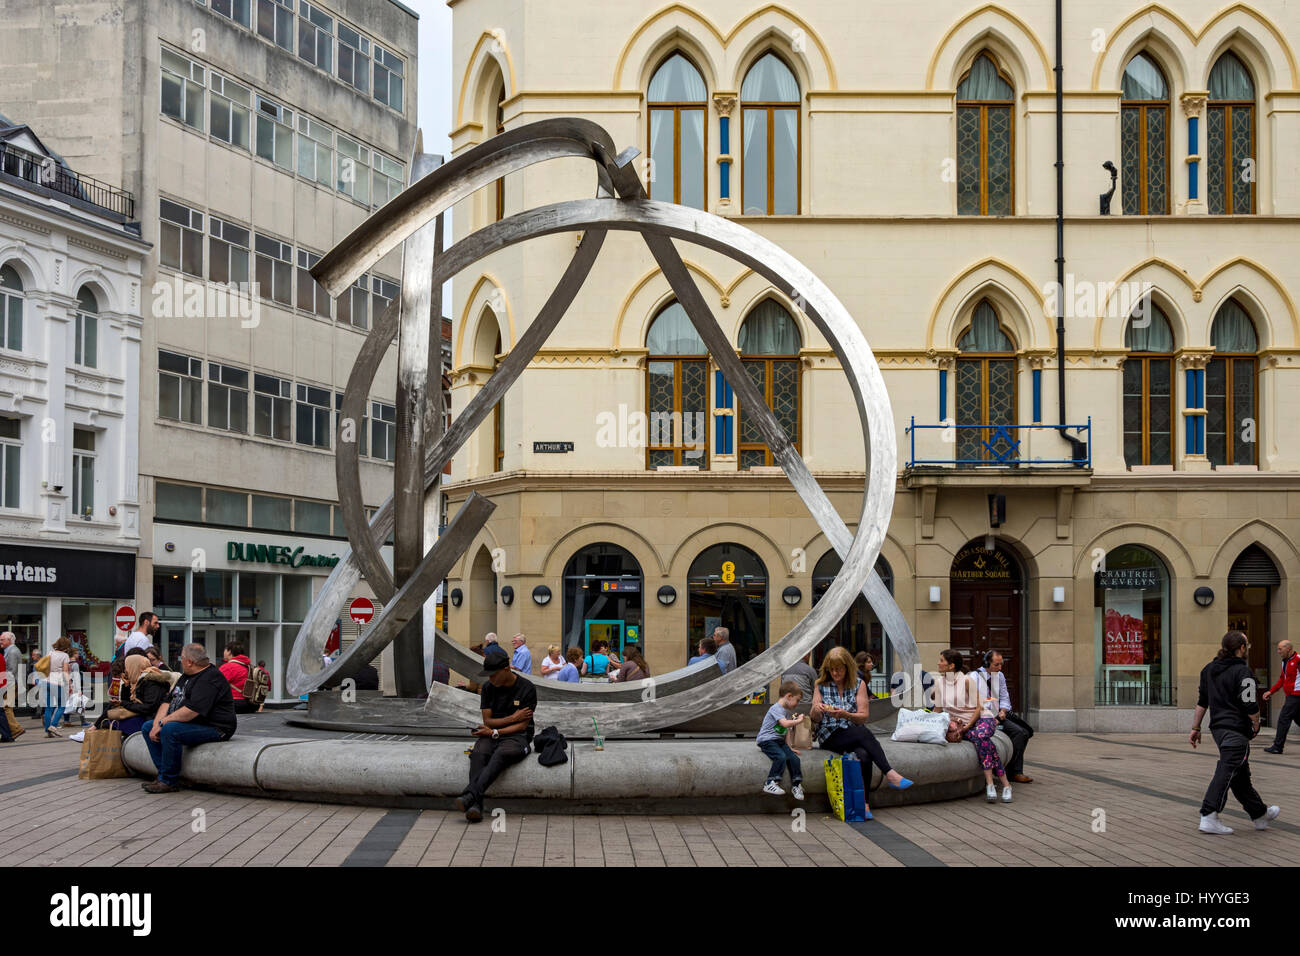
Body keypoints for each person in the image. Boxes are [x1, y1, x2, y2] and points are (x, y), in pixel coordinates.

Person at [1191, 631, 1280, 834]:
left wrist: (1195, 728)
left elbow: (1202, 701)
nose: (1247, 650)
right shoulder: (1243, 672)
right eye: (1247, 646)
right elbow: (1250, 702)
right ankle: (1209, 814)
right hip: (1236, 729)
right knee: (1228, 769)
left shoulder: (1209, 669)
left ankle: (1260, 814)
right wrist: (1256, 723)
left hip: (1218, 729)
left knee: (1239, 774)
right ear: (1241, 648)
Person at [812, 646, 912, 818]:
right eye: (832, 669)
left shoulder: (859, 684)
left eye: (839, 669)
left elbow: (863, 716)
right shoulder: (821, 685)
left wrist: (845, 714)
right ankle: (889, 772)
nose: (835, 673)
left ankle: (864, 805)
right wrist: (818, 709)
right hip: (830, 735)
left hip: (852, 731)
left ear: (848, 668)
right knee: (862, 733)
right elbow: (814, 717)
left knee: (864, 755)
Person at [141, 643, 237, 794]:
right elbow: (167, 702)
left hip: (217, 728)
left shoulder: (211, 678)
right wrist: (156, 724)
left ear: (190, 662)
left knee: (170, 729)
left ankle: (169, 781)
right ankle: (163, 775)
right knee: (147, 727)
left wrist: (163, 722)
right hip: (193, 723)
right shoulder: (186, 675)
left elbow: (191, 711)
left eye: (182, 658)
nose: (180, 661)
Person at [454, 646, 537, 822]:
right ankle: (476, 804)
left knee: (502, 753)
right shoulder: (488, 688)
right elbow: (487, 721)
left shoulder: (526, 688)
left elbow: (522, 726)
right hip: (492, 732)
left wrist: (496, 730)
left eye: (493, 674)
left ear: (506, 670)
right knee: (478, 754)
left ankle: (471, 796)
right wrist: (511, 718)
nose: (490, 679)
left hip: (518, 737)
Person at [936, 649, 1012, 804]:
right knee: (986, 744)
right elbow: (937, 710)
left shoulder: (966, 680)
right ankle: (1006, 785)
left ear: (951, 666)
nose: (939, 663)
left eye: (942, 660)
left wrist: (967, 726)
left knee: (981, 736)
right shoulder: (939, 683)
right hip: (962, 725)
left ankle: (990, 784)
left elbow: (979, 707)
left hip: (982, 718)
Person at [975, 650, 1032, 783]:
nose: (1000, 668)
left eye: (1001, 664)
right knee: (1018, 732)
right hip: (984, 716)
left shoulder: (999, 675)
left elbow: (1005, 697)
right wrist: (994, 715)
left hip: (999, 714)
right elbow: (977, 703)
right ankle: (1014, 772)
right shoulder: (975, 677)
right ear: (986, 663)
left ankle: (1012, 768)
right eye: (996, 665)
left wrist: (1003, 710)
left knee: (1027, 731)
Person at [98, 654, 174, 737]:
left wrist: (123, 703)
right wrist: (126, 687)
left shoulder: (151, 682)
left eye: (127, 667)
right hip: (144, 716)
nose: (126, 670)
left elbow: (148, 707)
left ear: (133, 667)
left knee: (111, 724)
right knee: (109, 721)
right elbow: (131, 702)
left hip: (150, 718)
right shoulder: (137, 681)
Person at [758, 681, 806, 798]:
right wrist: (798, 721)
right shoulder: (776, 708)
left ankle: (796, 784)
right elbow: (784, 724)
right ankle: (770, 782)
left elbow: (786, 732)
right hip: (767, 740)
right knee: (780, 757)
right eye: (797, 700)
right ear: (789, 696)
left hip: (778, 741)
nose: (797, 704)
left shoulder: (785, 712)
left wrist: (790, 747)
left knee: (794, 759)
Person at [1262, 639, 1300, 754]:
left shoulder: (1298, 660)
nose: (1278, 651)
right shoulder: (1285, 662)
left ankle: (1278, 746)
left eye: (1280, 649)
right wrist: (1271, 691)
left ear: (1288, 649)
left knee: (1284, 718)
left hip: (1296, 695)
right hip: (1290, 696)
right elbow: (1282, 679)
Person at [42, 636, 73, 738]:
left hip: (47, 681)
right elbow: (65, 671)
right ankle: (53, 725)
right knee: (61, 705)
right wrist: (70, 682)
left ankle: (48, 731)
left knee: (49, 707)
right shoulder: (65, 656)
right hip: (57, 682)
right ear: (66, 646)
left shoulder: (50, 653)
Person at [218, 642, 257, 715]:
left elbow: (216, 686)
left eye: (225, 650)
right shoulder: (250, 666)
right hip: (251, 704)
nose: (224, 652)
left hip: (234, 703)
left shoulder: (228, 667)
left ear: (229, 652)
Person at [1, 631, 25, 739]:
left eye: (2, 640)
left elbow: (11, 670)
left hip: (10, 683)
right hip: (11, 683)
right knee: (7, 707)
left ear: (9, 640)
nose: (0, 641)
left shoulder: (12, 652)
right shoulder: (9, 651)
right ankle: (13, 730)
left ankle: (16, 729)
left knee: (6, 707)